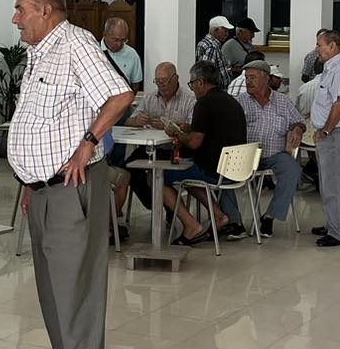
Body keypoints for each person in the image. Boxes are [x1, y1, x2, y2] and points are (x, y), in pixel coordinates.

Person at [9, 0, 133, 349]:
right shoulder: (41, 51)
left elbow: (119, 95)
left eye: (21, 10)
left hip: (72, 186)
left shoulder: (76, 43)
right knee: (50, 289)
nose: (15, 18)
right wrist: (29, 181)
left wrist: (88, 142)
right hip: (41, 189)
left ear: (44, 11)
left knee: (75, 289)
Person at [163, 60, 247, 245]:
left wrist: (176, 132)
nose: (191, 88)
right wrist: (191, 128)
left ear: (200, 82)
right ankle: (218, 216)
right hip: (237, 168)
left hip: (213, 169)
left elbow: (194, 142)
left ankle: (191, 225)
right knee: (186, 174)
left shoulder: (204, 103)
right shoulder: (231, 101)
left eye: (192, 83)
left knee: (157, 177)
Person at [237, 60, 306, 237]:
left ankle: (269, 216)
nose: (248, 82)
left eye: (252, 77)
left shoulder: (282, 101)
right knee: (217, 171)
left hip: (274, 155)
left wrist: (297, 128)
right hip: (246, 156)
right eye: (246, 78)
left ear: (266, 79)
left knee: (293, 170)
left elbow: (299, 121)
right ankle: (232, 222)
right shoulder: (240, 102)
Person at [309, 29, 340, 247]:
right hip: (331, 133)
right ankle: (333, 223)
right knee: (328, 182)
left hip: (336, 134)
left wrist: (326, 130)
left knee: (336, 184)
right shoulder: (331, 69)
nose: (316, 49)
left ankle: (339, 232)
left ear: (332, 46)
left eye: (320, 45)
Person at [123, 62, 195, 209]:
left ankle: (167, 207)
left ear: (176, 79)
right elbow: (128, 122)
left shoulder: (189, 100)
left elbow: (192, 129)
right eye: (158, 81)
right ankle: (155, 204)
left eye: (165, 81)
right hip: (152, 147)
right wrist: (137, 121)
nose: (161, 85)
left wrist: (170, 126)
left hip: (177, 149)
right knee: (128, 168)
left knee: (156, 174)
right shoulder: (150, 98)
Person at [99, 16, 143, 92]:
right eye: (115, 39)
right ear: (105, 34)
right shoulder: (93, 51)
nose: (119, 44)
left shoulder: (132, 54)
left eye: (123, 40)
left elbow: (135, 84)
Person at [196, 15, 233, 87]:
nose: (227, 34)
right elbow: (208, 74)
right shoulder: (211, 47)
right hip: (217, 90)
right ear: (216, 30)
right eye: (225, 31)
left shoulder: (205, 43)